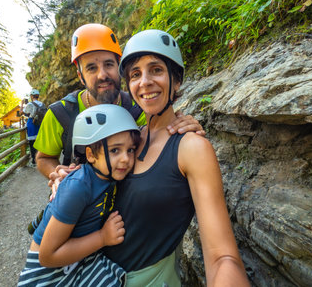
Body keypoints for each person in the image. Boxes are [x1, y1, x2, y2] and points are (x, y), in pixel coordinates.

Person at [101, 29, 250, 286]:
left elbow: (222, 256)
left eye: (156, 70)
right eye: (135, 74)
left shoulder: (192, 147)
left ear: (176, 81)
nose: (144, 81)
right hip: (99, 273)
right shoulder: (129, 140)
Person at [33, 23, 204, 184]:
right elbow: (43, 158)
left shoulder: (139, 109)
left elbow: (161, 133)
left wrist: (182, 124)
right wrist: (57, 173)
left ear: (119, 67)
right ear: (80, 76)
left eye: (109, 64)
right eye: (91, 68)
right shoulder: (61, 113)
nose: (102, 75)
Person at [18, 105, 141, 287]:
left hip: (75, 255)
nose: (126, 159)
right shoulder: (79, 186)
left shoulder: (108, 175)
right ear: (90, 155)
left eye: (130, 150)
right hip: (48, 273)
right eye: (115, 150)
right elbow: (47, 256)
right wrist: (102, 237)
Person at [21, 89, 44, 166]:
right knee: (39, 141)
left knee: (32, 142)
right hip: (40, 124)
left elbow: (22, 112)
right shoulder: (42, 104)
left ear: (31, 96)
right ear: (38, 96)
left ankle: (34, 160)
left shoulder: (30, 104)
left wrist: (21, 104)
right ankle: (40, 159)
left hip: (31, 123)